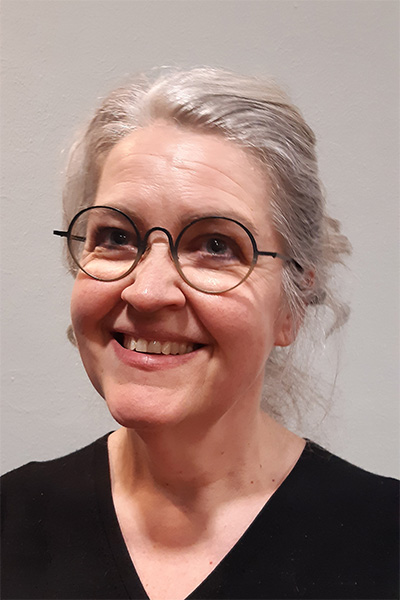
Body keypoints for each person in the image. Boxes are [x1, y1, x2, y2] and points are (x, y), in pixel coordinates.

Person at [1, 67, 398, 600]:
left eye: (215, 245)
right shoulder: (12, 521)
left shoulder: (385, 545)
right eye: (115, 237)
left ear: (292, 306)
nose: (148, 292)